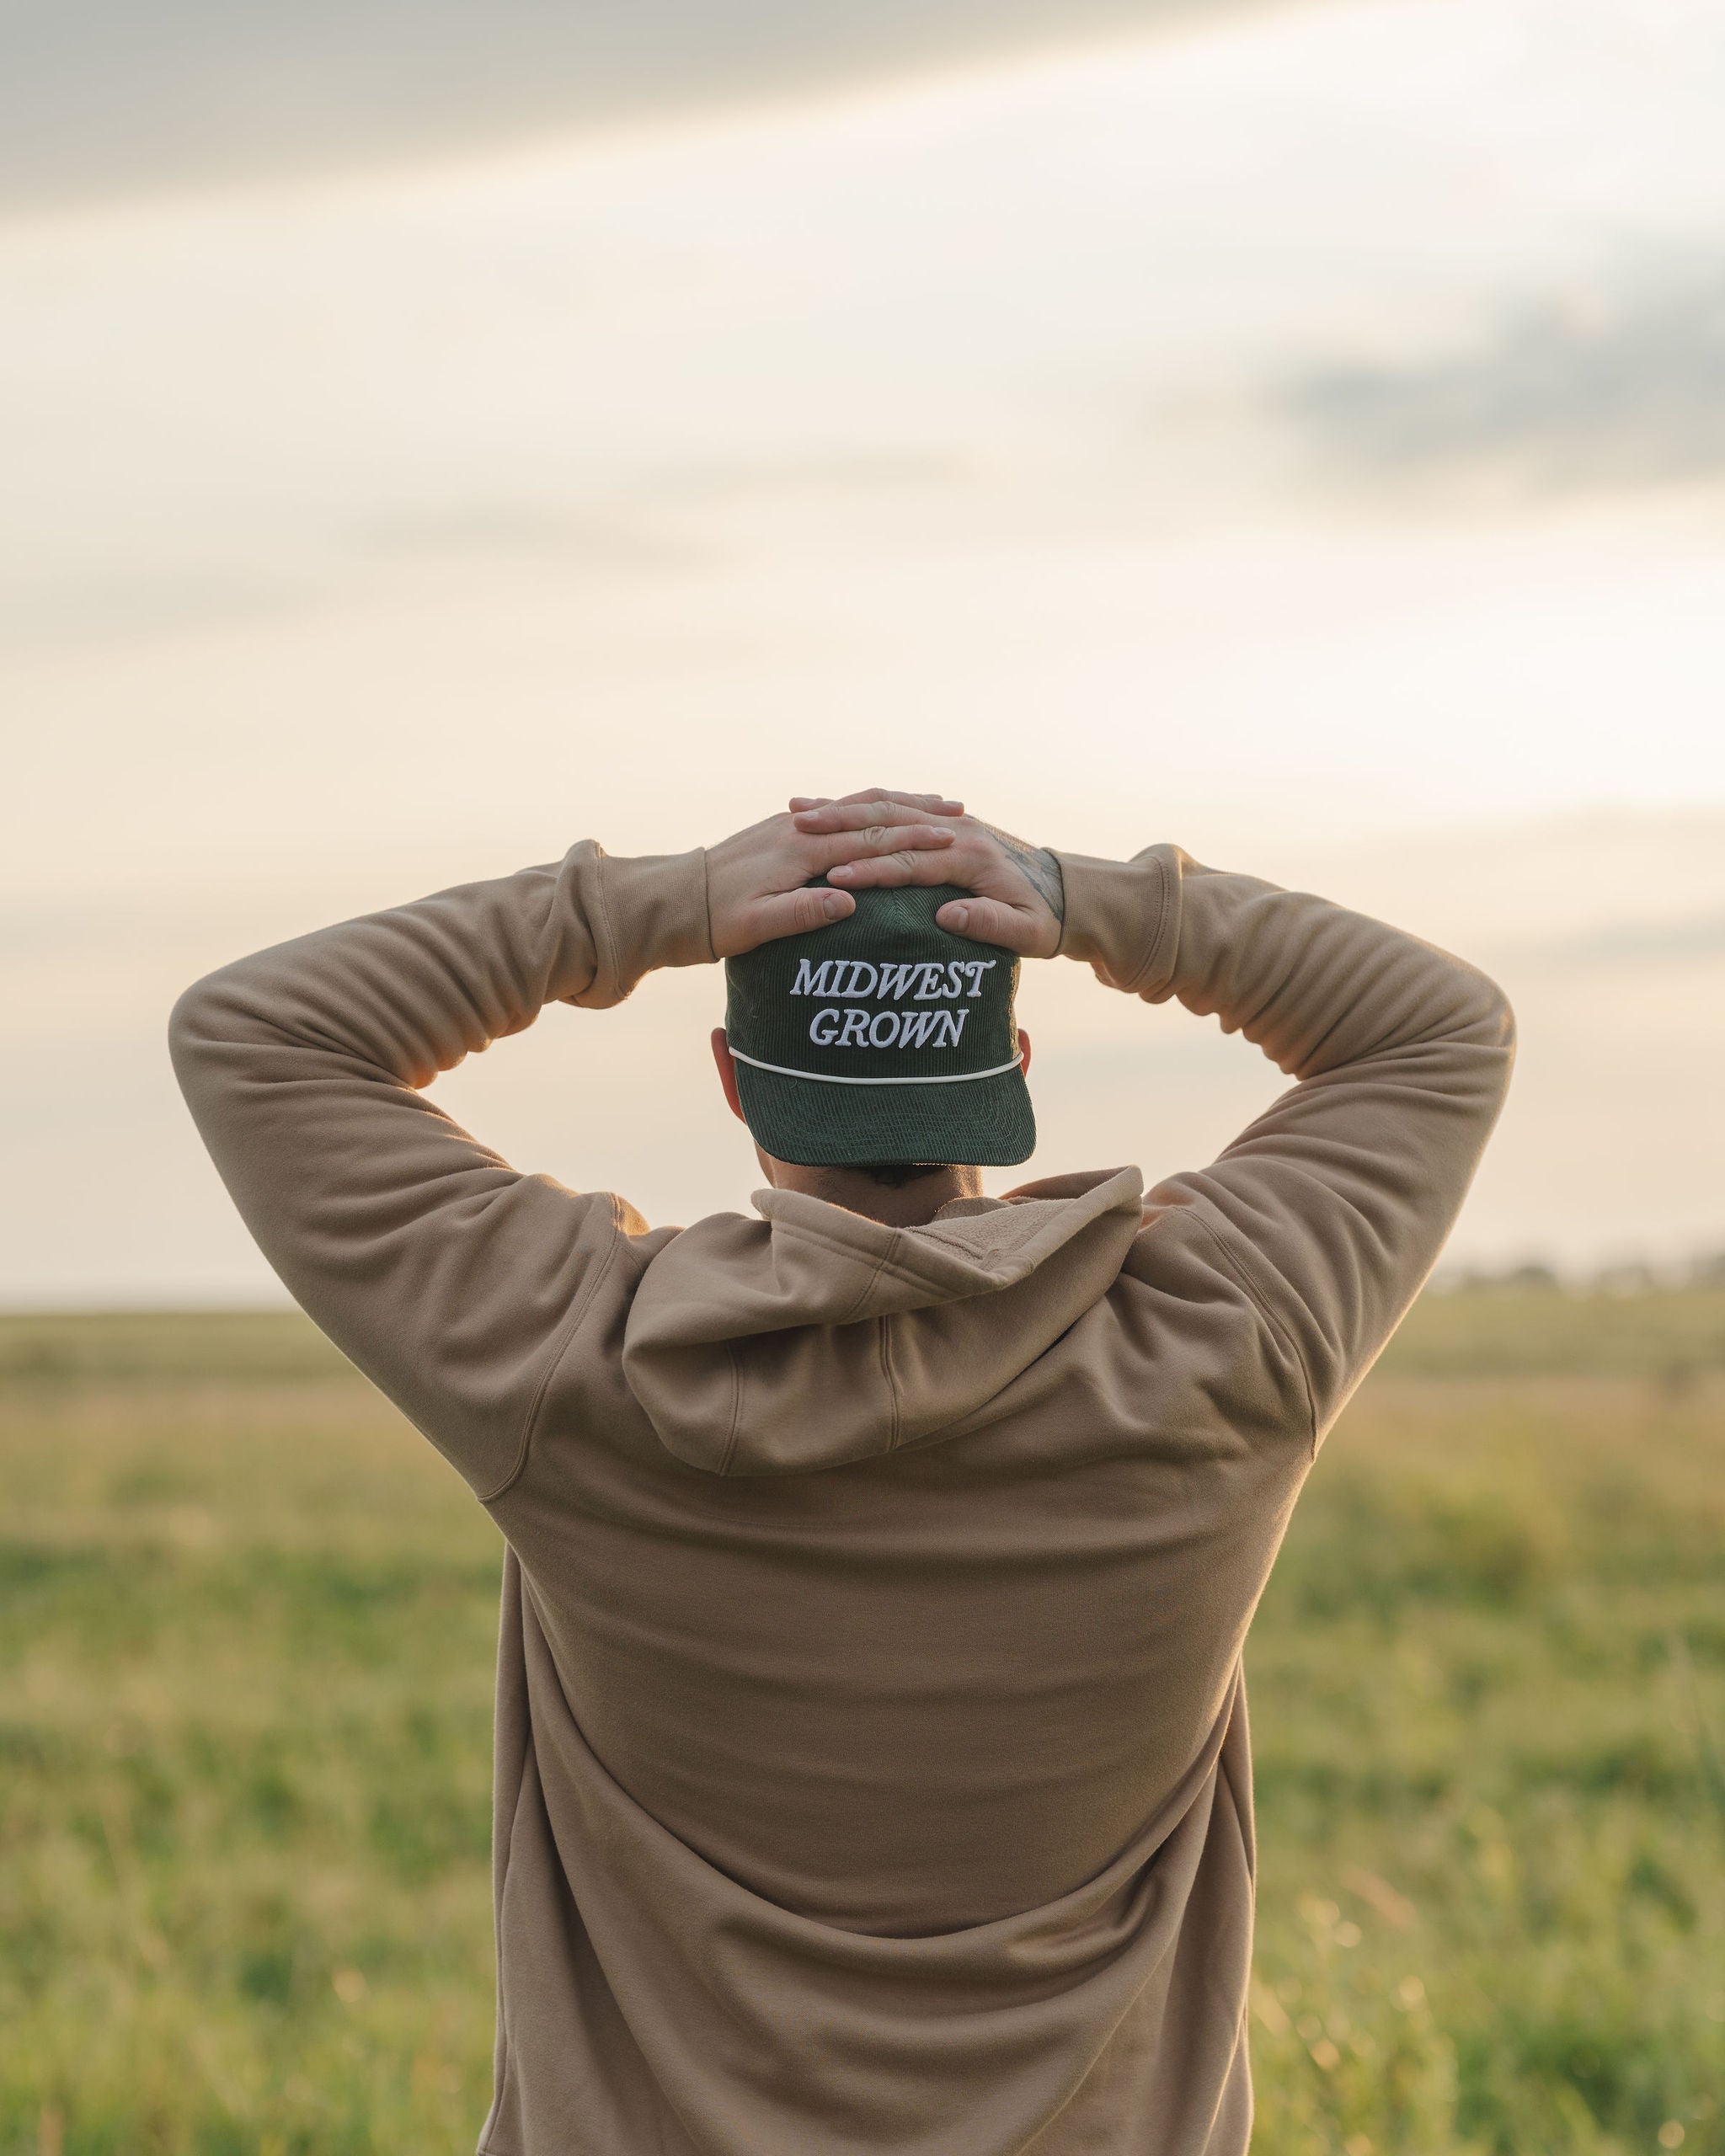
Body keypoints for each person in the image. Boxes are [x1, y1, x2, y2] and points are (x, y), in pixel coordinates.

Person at [169, 787, 1514, 2156]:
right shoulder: (1219, 1338)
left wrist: (664, 904)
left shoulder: (583, 1361)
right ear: (1016, 1069)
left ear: (736, 1079)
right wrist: (1082, 896)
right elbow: (1437, 1028)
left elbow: (257, 1032)